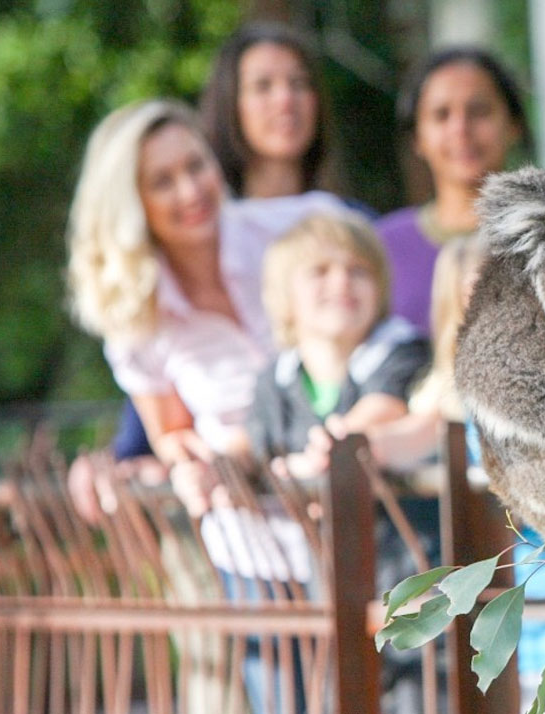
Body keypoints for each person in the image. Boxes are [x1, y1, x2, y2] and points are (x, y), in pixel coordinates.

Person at [65, 98, 347, 712]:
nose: (190, 188)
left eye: (196, 165)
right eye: (162, 181)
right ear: (129, 205)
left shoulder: (299, 228)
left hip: (362, 527)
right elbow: (173, 437)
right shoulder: (134, 314)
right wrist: (174, 459)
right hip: (253, 553)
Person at [248, 212, 429, 476]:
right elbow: (254, 444)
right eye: (319, 271)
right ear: (282, 295)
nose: (342, 282)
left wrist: (317, 461)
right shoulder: (275, 377)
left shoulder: (403, 351)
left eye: (358, 271)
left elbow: (382, 409)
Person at [375, 47, 530, 335]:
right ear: (417, 137)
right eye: (441, 114)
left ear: (513, 125)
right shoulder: (382, 247)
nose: (460, 128)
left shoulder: (543, 240)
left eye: (479, 111)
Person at [200, 21, 337, 199]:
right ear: (228, 102)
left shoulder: (350, 220)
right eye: (262, 86)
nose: (285, 99)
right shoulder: (213, 224)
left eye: (298, 82)